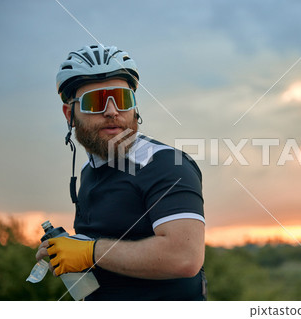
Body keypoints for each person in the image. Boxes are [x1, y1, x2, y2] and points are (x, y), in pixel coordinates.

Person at [35, 45, 206, 301]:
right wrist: (67, 251)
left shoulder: (166, 165)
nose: (112, 111)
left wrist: (90, 251)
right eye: (96, 101)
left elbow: (184, 257)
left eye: (122, 98)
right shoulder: (89, 170)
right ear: (70, 114)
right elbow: (108, 243)